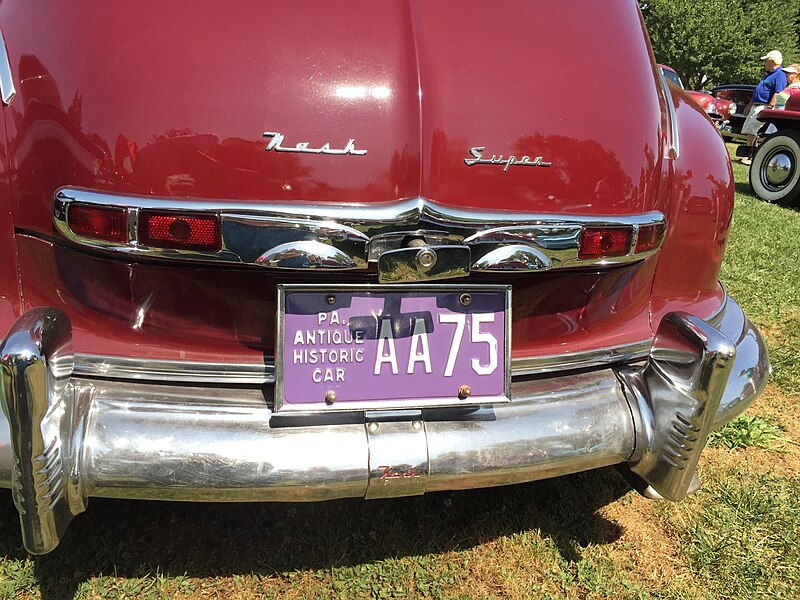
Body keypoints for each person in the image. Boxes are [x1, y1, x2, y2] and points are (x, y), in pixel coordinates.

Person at [740, 50, 787, 165]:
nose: (764, 63)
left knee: (753, 129)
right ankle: (749, 154)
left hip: (764, 106)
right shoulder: (769, 74)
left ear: (772, 61)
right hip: (756, 105)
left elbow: (777, 92)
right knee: (749, 129)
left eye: (766, 61)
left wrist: (770, 107)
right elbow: (759, 91)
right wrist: (750, 104)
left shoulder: (780, 74)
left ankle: (750, 156)